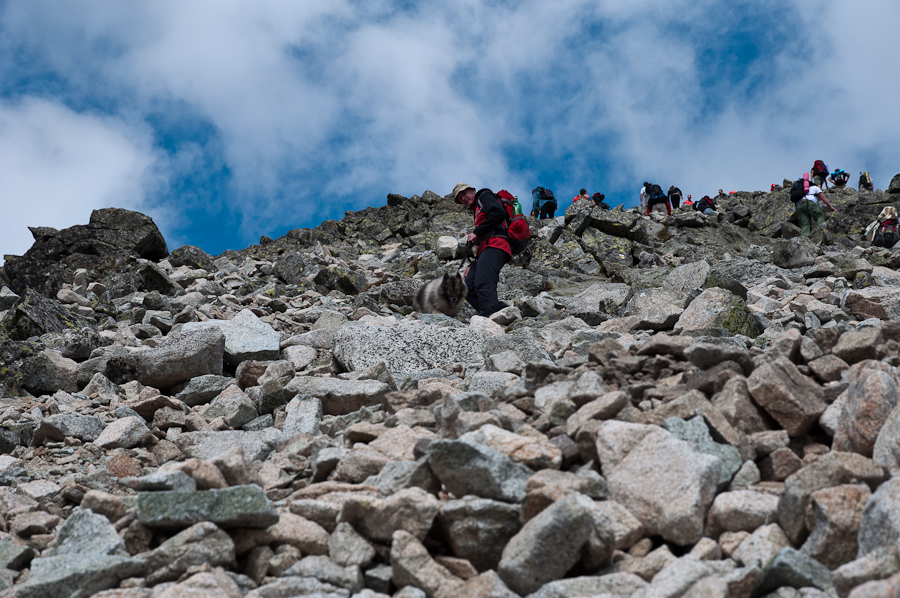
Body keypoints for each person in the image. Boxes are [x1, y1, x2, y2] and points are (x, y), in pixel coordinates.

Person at [452, 182, 511, 317]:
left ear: (473, 190)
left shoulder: (484, 196)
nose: (463, 199)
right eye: (460, 198)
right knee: (468, 286)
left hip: (497, 245)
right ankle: (501, 311)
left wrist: (476, 232)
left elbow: (498, 213)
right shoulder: (477, 209)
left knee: (483, 282)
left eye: (464, 194)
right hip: (486, 249)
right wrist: (474, 263)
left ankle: (488, 317)